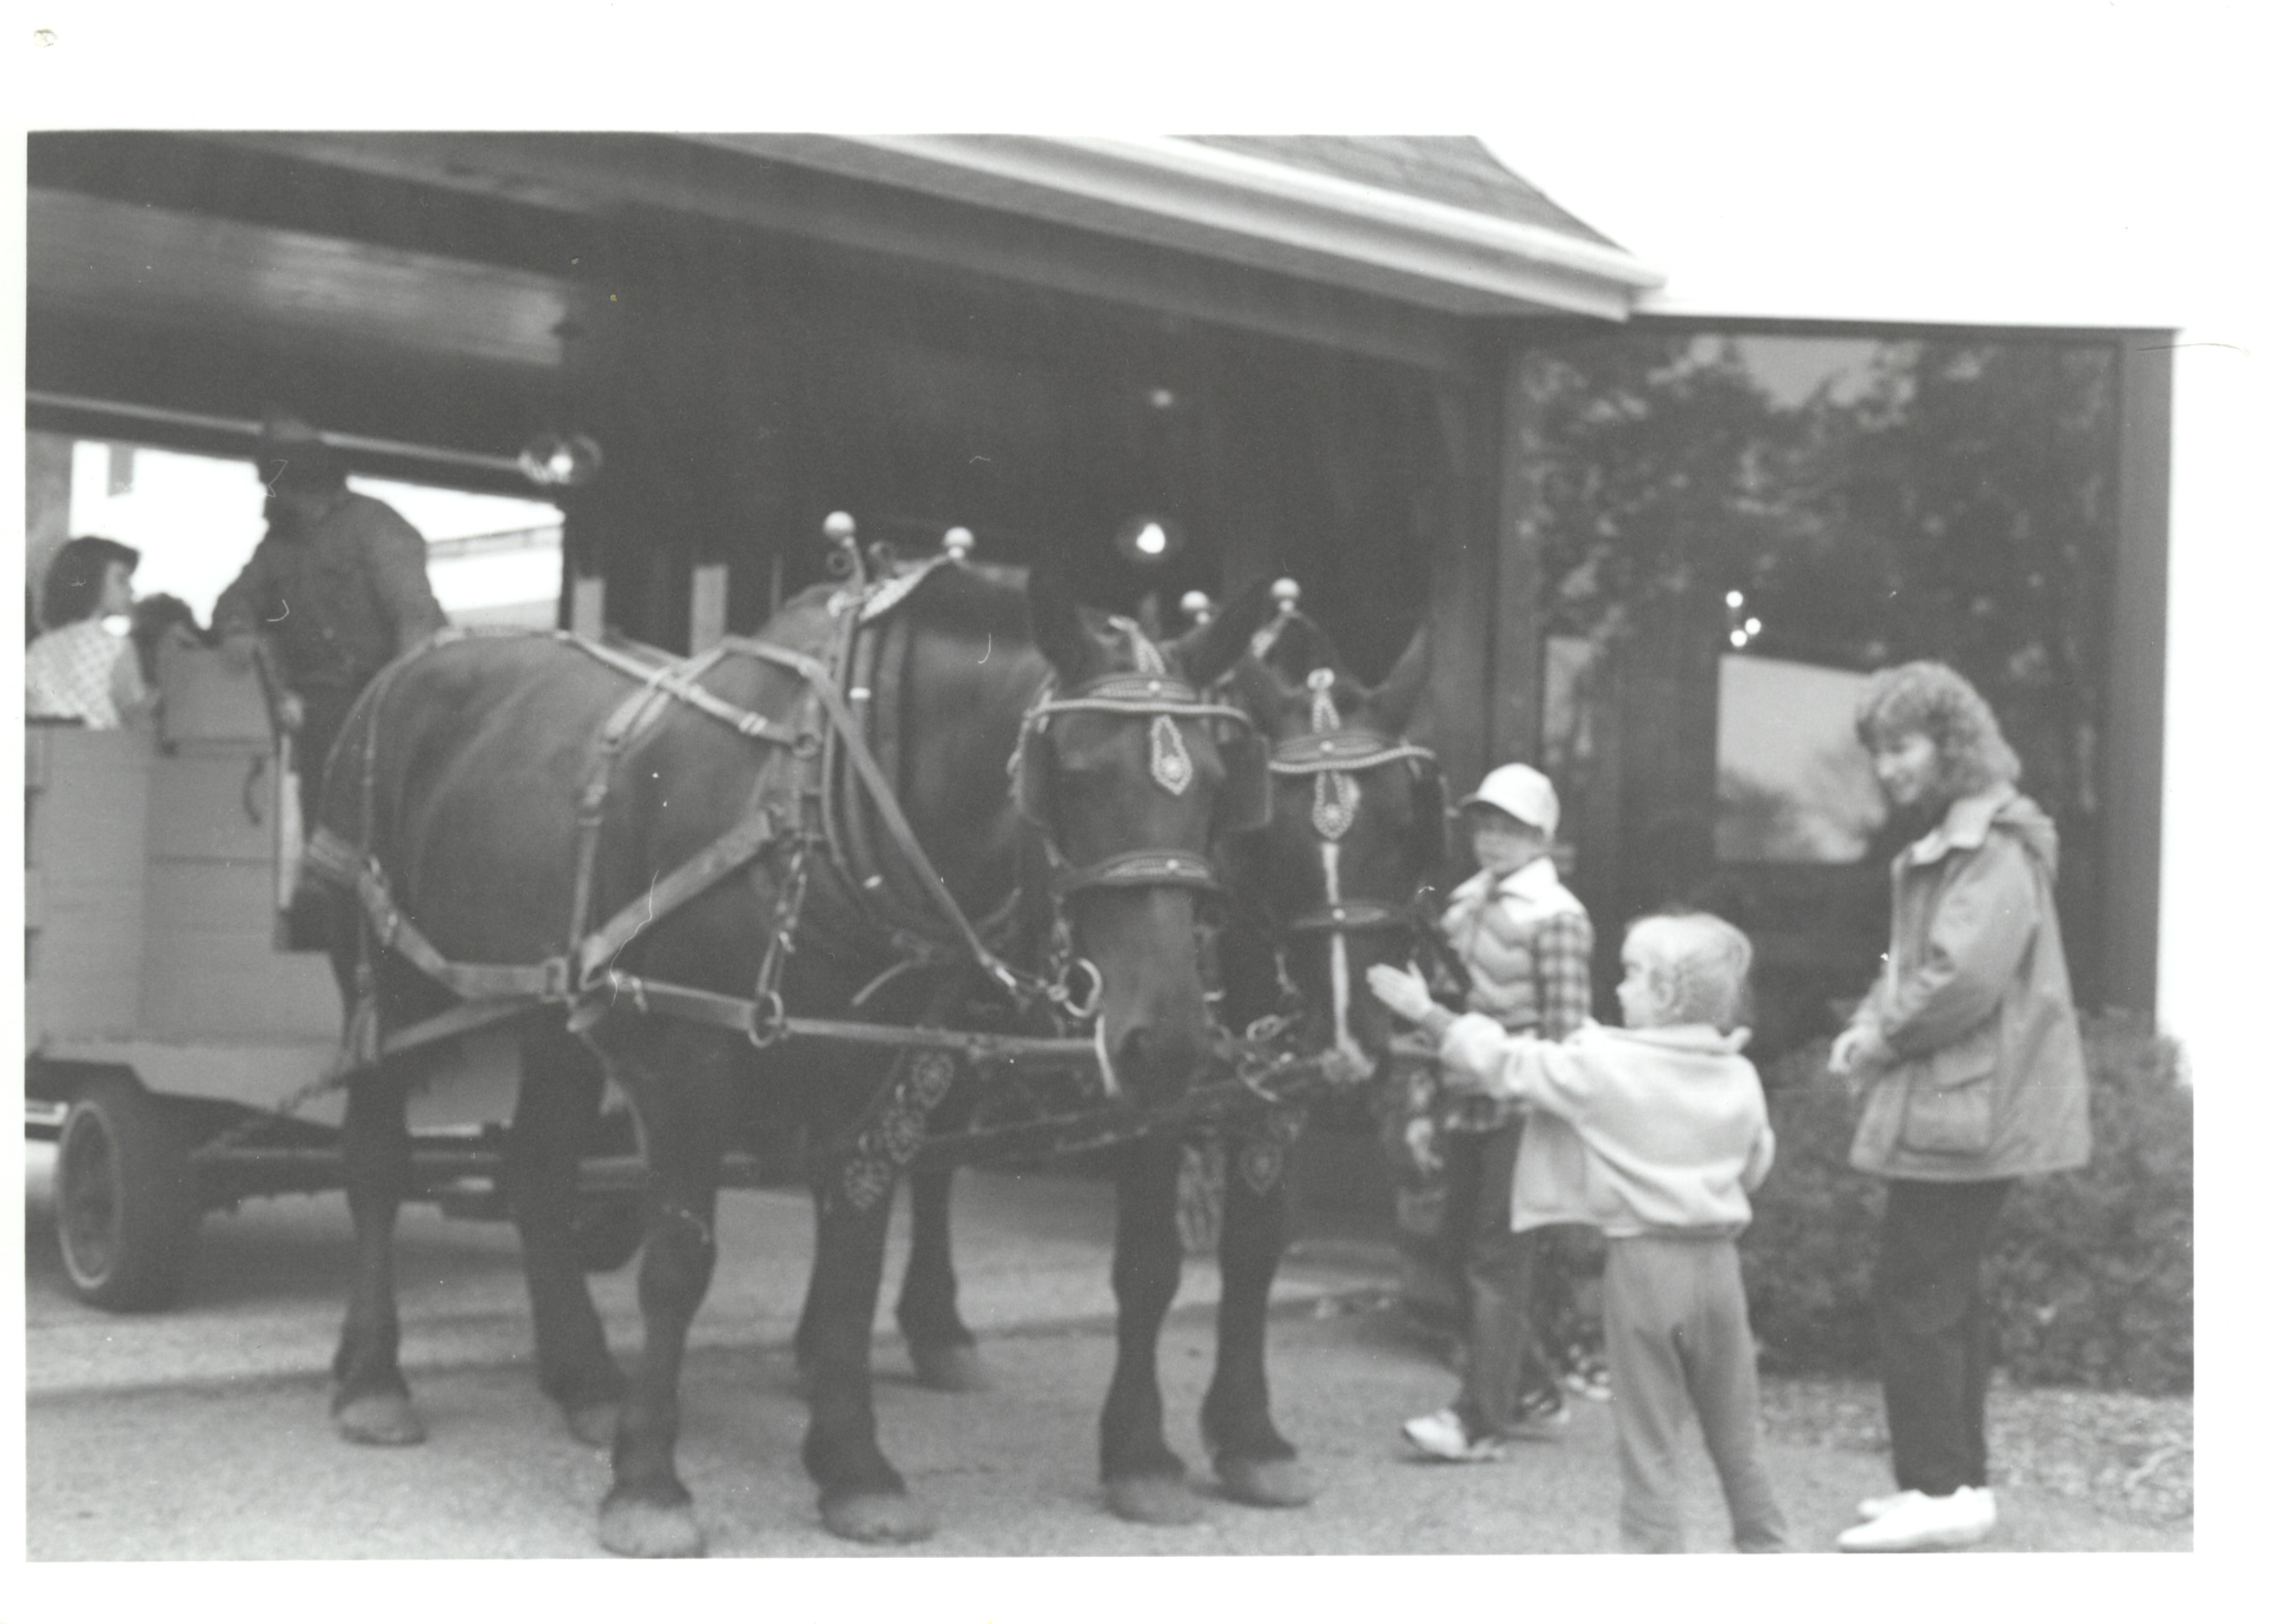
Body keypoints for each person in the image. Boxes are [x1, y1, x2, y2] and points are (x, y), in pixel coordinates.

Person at [1370, 913, 1791, 1553]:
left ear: (1666, 994)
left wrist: (1430, 1013)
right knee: (1738, 1432)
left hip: (1645, 1265)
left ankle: (1653, 1562)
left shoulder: (1604, 1066)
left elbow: (1505, 1061)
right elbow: (1755, 1164)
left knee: (1649, 1438)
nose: (1618, 987)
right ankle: (1769, 1549)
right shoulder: (1739, 1073)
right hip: (1719, 1265)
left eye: (1633, 974)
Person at [1826, 660, 2090, 1553]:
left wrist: (1880, 1035)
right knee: (1942, 1291)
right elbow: (1919, 964)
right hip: (1960, 1103)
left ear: (1950, 742)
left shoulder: (1992, 846)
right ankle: (1955, 1484)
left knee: (1918, 1290)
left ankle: (1940, 1487)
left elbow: (1957, 979)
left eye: (1900, 747)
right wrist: (1872, 1019)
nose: (1886, 768)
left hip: (1967, 1107)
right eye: (1878, 752)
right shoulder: (1969, 840)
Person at [1395, 762, 1593, 1462]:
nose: (1493, 839)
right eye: (1484, 824)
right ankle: (1530, 1387)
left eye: (1512, 827)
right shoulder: (1463, 904)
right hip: (1466, 1099)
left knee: (1495, 1262)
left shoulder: (1556, 917)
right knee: (1454, 1252)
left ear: (1542, 836)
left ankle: (1479, 1420)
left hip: (1521, 1109)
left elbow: (1567, 1035)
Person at [212, 409, 448, 834]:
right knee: (325, 830)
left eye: (275, 480)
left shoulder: (375, 525)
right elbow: (236, 599)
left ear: (298, 480)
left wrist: (397, 705)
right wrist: (237, 630)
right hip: (321, 711)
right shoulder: (277, 546)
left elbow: (414, 617)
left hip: (381, 698)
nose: (271, 493)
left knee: (388, 825)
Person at [26, 536, 150, 729]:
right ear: (91, 580)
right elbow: (136, 718)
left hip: (48, 744)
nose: (131, 590)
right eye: (121, 580)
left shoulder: (39, 647)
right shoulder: (116, 647)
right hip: (98, 744)